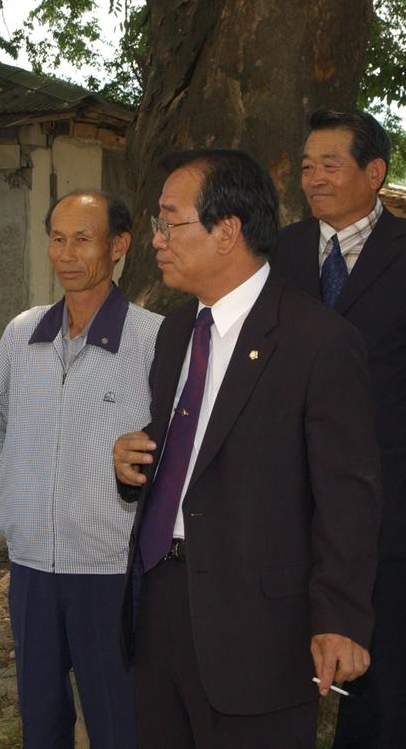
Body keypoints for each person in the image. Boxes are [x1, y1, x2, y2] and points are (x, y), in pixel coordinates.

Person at [113, 149, 381, 748]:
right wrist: (131, 467)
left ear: (227, 230)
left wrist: (339, 619)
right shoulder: (177, 330)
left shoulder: (318, 340)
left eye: (169, 221)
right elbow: (186, 455)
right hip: (161, 602)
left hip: (259, 624)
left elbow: (349, 497)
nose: (156, 239)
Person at [272, 108, 406, 748]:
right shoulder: (276, 255)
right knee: (279, 671)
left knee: (379, 683)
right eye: (307, 166)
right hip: (285, 509)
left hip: (389, 509)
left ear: (375, 172)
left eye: (330, 164)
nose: (314, 178)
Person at [0, 190, 161, 748]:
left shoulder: (152, 339)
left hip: (112, 573)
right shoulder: (23, 333)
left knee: (118, 724)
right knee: (41, 723)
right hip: (31, 569)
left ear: (119, 246)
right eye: (57, 238)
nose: (67, 253)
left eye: (83, 238)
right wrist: (14, 486)